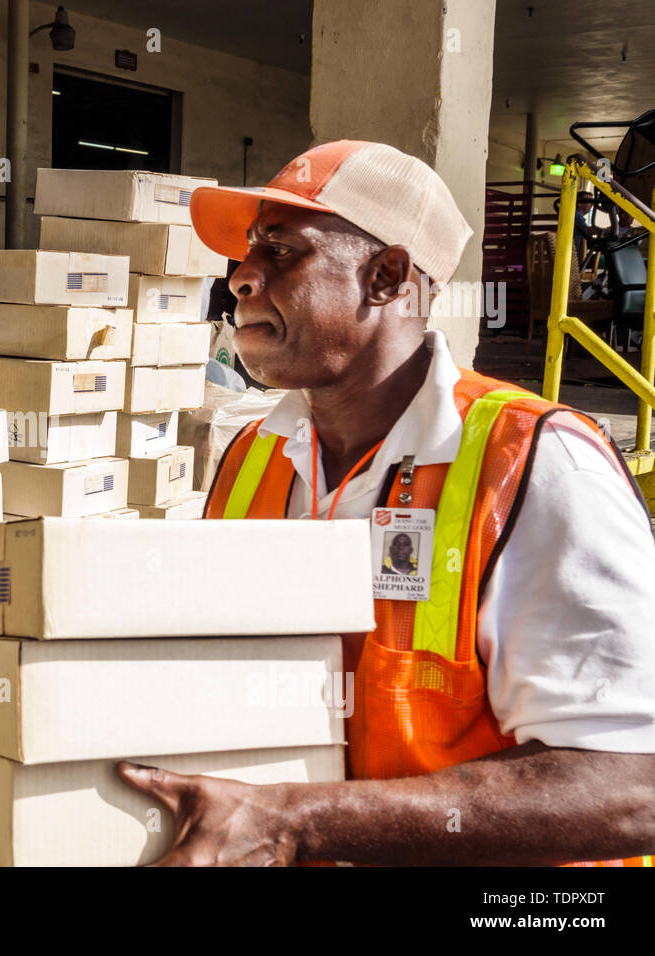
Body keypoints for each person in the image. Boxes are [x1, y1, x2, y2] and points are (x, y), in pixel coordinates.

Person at [116, 140, 655, 866]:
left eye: (282, 252)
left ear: (387, 276)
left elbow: (633, 788)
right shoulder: (253, 458)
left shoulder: (533, 461)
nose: (242, 278)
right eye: (247, 253)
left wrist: (296, 823)